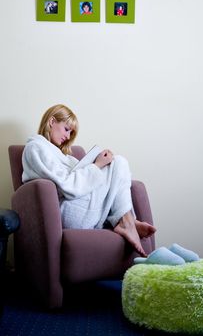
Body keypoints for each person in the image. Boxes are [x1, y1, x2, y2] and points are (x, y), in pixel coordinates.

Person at [22, 104, 156, 257]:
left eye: (71, 133)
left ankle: (125, 220)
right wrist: (98, 165)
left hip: (81, 206)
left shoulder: (65, 157)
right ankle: (126, 221)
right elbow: (67, 185)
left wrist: (96, 165)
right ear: (52, 121)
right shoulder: (36, 147)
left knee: (117, 162)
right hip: (67, 212)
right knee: (119, 162)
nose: (67, 137)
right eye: (66, 129)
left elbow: (79, 180)